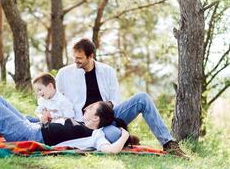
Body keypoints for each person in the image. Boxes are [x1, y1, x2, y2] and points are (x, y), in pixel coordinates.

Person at [56, 38, 188, 158]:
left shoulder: (107, 71)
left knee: (142, 98)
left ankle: (169, 144)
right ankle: (125, 138)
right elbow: (57, 99)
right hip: (86, 125)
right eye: (74, 57)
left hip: (109, 118)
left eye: (79, 58)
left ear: (91, 56)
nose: (75, 61)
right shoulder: (64, 73)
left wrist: (101, 106)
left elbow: (115, 100)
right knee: (114, 135)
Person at [0, 93, 132, 153]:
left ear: (96, 119)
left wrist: (124, 136)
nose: (85, 110)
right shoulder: (80, 123)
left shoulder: (95, 135)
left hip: (28, 134)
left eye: (90, 109)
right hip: (31, 125)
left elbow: (110, 151)